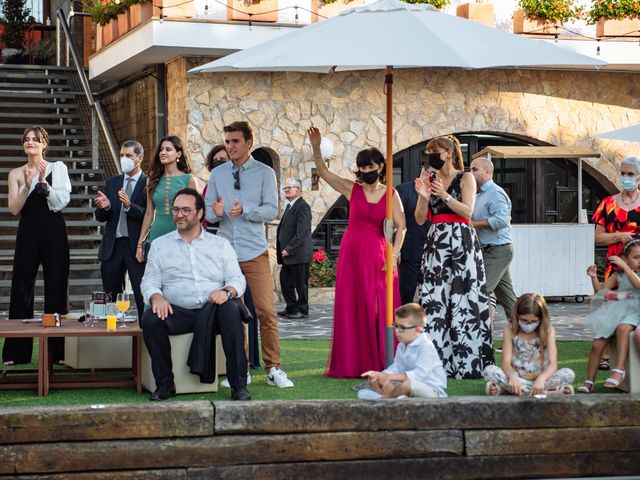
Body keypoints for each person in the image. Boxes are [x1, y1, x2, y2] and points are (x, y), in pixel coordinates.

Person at [308, 126, 406, 378]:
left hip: (380, 256)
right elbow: (323, 172)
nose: (366, 173)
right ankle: (354, 362)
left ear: (380, 167)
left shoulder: (392, 194)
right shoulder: (353, 189)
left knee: (379, 308)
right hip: (351, 255)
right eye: (362, 169)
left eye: (370, 168)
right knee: (352, 306)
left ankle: (385, 359)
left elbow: (402, 227)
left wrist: (394, 255)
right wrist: (317, 147)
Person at [205, 121, 294, 388]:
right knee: (233, 314)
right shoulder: (217, 175)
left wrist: (245, 209)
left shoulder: (265, 173)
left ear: (248, 143)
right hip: (225, 254)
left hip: (254, 252)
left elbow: (271, 211)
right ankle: (239, 369)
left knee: (266, 310)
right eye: (227, 141)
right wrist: (216, 213)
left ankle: (273, 368)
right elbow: (208, 212)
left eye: (234, 141)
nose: (230, 146)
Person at [140, 188, 250, 401]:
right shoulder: (160, 245)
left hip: (214, 312)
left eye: (185, 210)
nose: (179, 215)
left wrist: (226, 292)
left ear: (200, 214)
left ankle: (239, 386)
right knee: (151, 318)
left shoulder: (220, 245)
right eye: (176, 210)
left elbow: (238, 279)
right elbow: (149, 280)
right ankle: (165, 385)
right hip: (179, 312)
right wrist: (156, 296)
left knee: (231, 310)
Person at [415, 135, 492, 379]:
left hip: (461, 242)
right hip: (436, 242)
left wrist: (445, 195)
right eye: (429, 152)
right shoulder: (430, 179)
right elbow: (419, 218)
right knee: (434, 299)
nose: (431, 156)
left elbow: (468, 211)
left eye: (434, 151)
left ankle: (466, 361)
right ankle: (436, 364)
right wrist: (424, 196)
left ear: (448, 152)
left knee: (463, 298)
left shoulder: (465, 177)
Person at [3, 126, 71, 365]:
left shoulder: (57, 168)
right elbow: (14, 209)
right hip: (28, 233)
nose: (30, 142)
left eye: (36, 139)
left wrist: (44, 183)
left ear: (44, 144)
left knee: (56, 288)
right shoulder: (15, 173)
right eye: (27, 140)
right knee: (21, 287)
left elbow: (61, 202)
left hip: (54, 232)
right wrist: (26, 184)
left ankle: (58, 352)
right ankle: (16, 352)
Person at [591, 156, 640, 371]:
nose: (626, 177)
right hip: (614, 266)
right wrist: (618, 236)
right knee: (610, 305)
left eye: (630, 174)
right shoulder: (608, 203)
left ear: (638, 177)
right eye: (623, 173)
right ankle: (608, 353)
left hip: (638, 266)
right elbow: (598, 237)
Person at [94, 140, 147, 319]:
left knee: (141, 294)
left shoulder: (148, 183)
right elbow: (100, 217)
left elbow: (148, 214)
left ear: (139, 158)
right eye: (122, 155)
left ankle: (145, 330)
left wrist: (129, 206)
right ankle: (112, 328)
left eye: (128, 156)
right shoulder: (112, 182)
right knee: (111, 295)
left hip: (135, 246)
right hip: (113, 245)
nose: (124, 159)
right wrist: (106, 207)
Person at [483, 293, 575, 396]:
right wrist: (512, 376)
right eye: (524, 320)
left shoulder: (548, 330)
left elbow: (553, 364)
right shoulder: (509, 329)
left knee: (568, 374)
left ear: (541, 318)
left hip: (541, 378)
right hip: (516, 377)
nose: (528, 324)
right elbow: (506, 362)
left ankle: (509, 390)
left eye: (534, 321)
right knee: (489, 370)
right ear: (517, 315)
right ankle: (547, 393)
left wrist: (541, 379)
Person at [578, 241, 640, 393]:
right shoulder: (618, 274)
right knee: (597, 345)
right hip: (617, 311)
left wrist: (626, 267)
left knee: (623, 328)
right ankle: (589, 382)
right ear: (625, 259)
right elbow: (601, 291)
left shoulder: (635, 274)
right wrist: (593, 277)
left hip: (635, 311)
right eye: (636, 257)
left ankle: (619, 370)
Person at [358, 303, 447, 399]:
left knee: (407, 385)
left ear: (417, 330)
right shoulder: (402, 344)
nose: (396, 331)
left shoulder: (426, 346)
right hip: (407, 386)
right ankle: (397, 398)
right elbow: (397, 367)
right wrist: (382, 375)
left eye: (401, 328)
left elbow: (419, 375)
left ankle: (384, 399)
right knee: (374, 380)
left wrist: (390, 377)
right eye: (395, 325)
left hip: (432, 391)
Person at [470, 156, 517, 326]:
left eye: (475, 169)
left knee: (480, 292)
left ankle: (477, 338)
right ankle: (526, 337)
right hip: (490, 249)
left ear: (487, 172)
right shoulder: (479, 193)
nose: (471, 172)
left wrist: (474, 224)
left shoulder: (495, 193)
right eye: (470, 169)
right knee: (508, 299)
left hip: (498, 250)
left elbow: (502, 221)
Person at [135, 136, 198, 262]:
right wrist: (140, 244)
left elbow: (196, 214)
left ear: (178, 154)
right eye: (161, 149)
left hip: (181, 236)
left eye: (168, 149)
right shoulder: (152, 180)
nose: (163, 152)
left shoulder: (189, 180)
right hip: (157, 235)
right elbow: (148, 213)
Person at [276, 178, 313, 319]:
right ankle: (291, 308)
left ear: (298, 189)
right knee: (285, 282)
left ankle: (303, 310)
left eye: (289, 188)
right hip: (288, 255)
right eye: (285, 188)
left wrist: (289, 248)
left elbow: (302, 231)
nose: (286, 190)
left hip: (298, 253)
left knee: (300, 284)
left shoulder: (303, 206)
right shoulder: (290, 206)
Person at [396, 164, 431, 305]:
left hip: (433, 250)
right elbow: (393, 221)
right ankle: (404, 325)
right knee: (406, 294)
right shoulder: (403, 190)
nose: (430, 176)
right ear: (423, 170)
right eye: (428, 172)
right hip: (408, 249)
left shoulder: (439, 191)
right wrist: (394, 247)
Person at [202, 144, 229, 235]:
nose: (218, 162)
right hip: (211, 232)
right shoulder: (209, 186)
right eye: (215, 160)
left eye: (222, 159)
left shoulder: (238, 185)